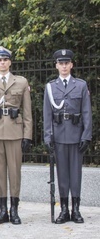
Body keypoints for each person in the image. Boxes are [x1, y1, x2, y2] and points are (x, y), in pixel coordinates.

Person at [0, 46, 33, 225]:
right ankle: (2, 211)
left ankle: (14, 210)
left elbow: (27, 112)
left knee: (15, 172)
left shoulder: (21, 82)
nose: (2, 63)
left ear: (10, 62)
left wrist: (27, 136)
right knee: (0, 172)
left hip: (15, 132)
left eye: (5, 60)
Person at [43, 49, 92, 224]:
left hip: (76, 135)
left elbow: (86, 112)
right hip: (58, 136)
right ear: (56, 65)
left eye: (66, 63)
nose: (64, 66)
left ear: (71, 65)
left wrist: (86, 136)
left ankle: (76, 209)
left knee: (75, 174)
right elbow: (47, 114)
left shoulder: (80, 85)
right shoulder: (50, 87)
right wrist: (48, 137)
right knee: (62, 173)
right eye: (60, 63)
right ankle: (64, 209)